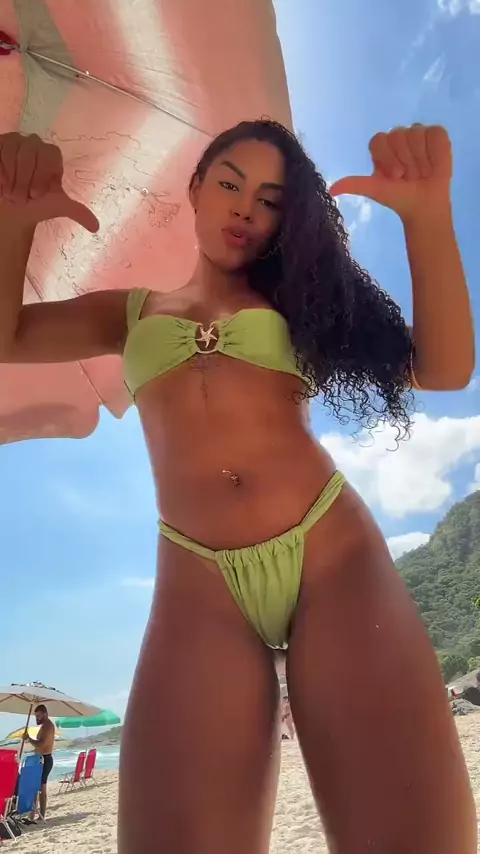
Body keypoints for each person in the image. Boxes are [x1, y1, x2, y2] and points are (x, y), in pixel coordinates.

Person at [0, 121, 476, 853]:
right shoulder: (128, 313)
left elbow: (443, 370)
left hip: (332, 557)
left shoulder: (304, 304)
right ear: (195, 188)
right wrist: (14, 222)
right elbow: (7, 338)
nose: (246, 207)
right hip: (198, 582)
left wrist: (427, 215)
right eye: (229, 182)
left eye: (271, 199)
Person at [22, 704, 55, 820]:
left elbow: (41, 744)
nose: (37, 718)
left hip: (45, 759)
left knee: (41, 788)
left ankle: (41, 815)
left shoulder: (48, 726)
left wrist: (29, 739)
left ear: (45, 714)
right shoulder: (44, 726)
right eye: (36, 716)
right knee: (36, 787)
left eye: (38, 716)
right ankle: (33, 814)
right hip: (41, 759)